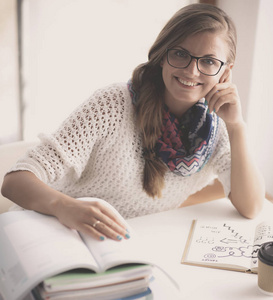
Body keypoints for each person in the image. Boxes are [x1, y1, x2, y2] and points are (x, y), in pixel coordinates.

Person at [1, 3, 265, 242]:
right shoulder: (113, 104)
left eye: (208, 61)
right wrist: (64, 207)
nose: (191, 71)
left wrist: (236, 126)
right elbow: (15, 182)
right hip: (42, 232)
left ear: (226, 71)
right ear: (163, 54)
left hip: (117, 247)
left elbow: (251, 206)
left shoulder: (215, 129)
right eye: (181, 54)